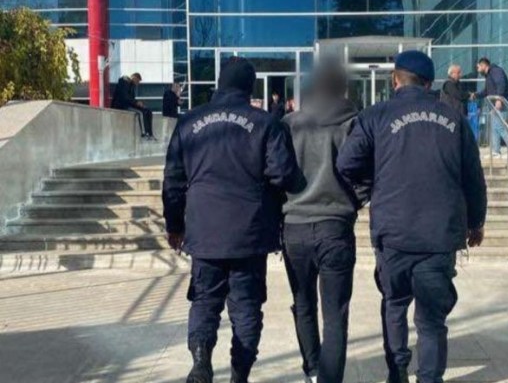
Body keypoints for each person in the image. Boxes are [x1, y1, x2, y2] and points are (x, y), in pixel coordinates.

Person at [337, 51, 487, 383]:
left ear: (395, 79)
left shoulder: (376, 115)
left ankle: (398, 372)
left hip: (394, 232)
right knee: (431, 320)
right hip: (439, 234)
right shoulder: (453, 119)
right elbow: (473, 177)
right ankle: (429, 378)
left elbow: (346, 163)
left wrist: (373, 186)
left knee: (394, 304)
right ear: (430, 83)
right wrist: (476, 222)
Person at [163, 57, 299, 383]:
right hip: (249, 233)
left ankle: (200, 363)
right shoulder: (266, 123)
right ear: (250, 87)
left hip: (204, 230)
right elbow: (284, 175)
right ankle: (239, 375)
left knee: (205, 302)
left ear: (219, 83)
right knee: (246, 308)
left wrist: (175, 226)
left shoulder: (188, 123)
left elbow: (173, 182)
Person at [282, 62, 368, 383]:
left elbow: (275, 172)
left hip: (294, 226)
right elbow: (365, 172)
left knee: (303, 303)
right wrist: (354, 201)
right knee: (335, 314)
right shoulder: (353, 124)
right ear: (342, 88)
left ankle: (313, 369)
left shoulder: (289, 124)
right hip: (335, 225)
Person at [475, 58, 508, 158]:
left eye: (478, 67)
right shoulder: (488, 75)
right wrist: (475, 95)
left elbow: (501, 84)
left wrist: (499, 99)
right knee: (494, 127)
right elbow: (486, 91)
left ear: (484, 65)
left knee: (499, 126)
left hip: (503, 102)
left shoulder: (495, 71)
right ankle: (496, 151)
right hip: (496, 104)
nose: (477, 70)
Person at [111, 73, 154, 139]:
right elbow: (125, 97)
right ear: (134, 78)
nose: (137, 83)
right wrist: (136, 103)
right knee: (140, 113)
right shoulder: (124, 82)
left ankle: (150, 133)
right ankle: (144, 133)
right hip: (121, 105)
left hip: (128, 104)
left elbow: (131, 99)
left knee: (147, 111)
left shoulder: (132, 86)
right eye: (137, 81)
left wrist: (139, 104)